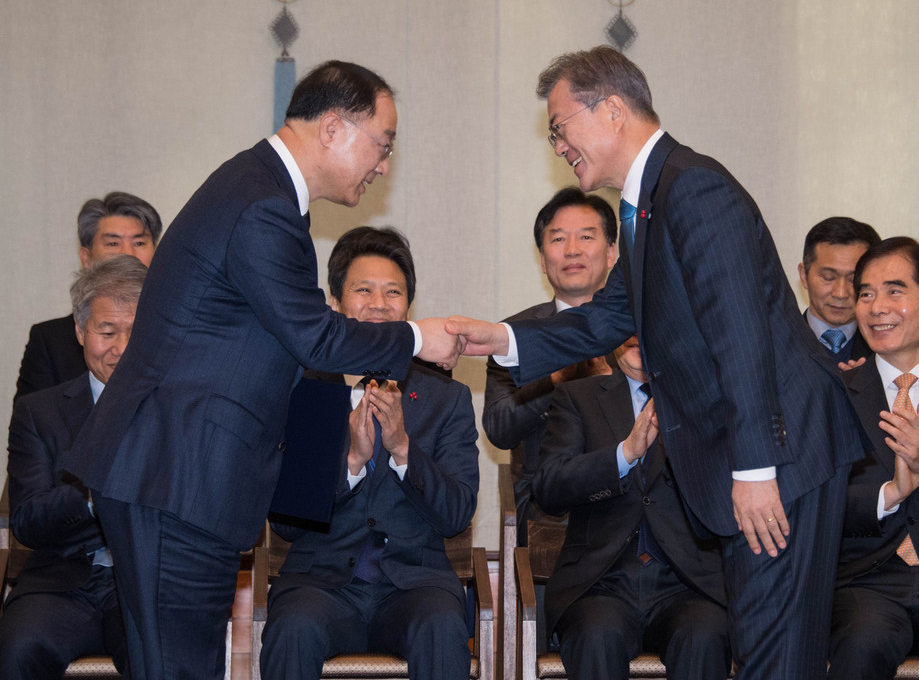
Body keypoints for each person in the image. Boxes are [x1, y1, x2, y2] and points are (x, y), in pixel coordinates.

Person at [447, 45, 865, 679]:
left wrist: (755, 469)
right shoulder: (643, 205)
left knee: (777, 657)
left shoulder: (692, 187)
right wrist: (500, 340)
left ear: (612, 110)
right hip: (761, 456)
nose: (557, 144)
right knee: (761, 650)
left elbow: (740, 333)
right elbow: (606, 318)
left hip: (783, 457)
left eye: (560, 127)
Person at [62, 60, 461, 680]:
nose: (383, 164)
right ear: (333, 128)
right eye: (382, 145)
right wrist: (416, 336)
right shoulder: (262, 206)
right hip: (178, 474)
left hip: (182, 476)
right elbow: (316, 337)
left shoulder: (260, 192)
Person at [260, 226, 479, 680]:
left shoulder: (446, 397)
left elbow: (457, 512)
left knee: (442, 626)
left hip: (415, 587)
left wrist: (401, 448)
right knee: (292, 628)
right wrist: (351, 465)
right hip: (321, 586)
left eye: (393, 292)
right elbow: (284, 522)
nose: (379, 304)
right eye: (364, 290)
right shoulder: (308, 390)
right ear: (336, 303)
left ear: (408, 307)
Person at [534, 335, 730, 680]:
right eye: (628, 326)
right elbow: (550, 487)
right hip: (600, 583)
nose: (639, 336)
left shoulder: (706, 399)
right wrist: (624, 454)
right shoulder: (578, 397)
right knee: (596, 634)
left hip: (686, 583)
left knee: (704, 633)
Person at [0, 255, 148, 679]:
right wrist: (91, 492)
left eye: (135, 333)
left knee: (158, 652)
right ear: (81, 332)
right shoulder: (39, 413)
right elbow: (28, 519)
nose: (121, 348)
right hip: (61, 582)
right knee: (20, 647)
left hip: (145, 582)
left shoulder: (177, 410)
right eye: (106, 332)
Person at [829, 237, 919, 679]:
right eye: (866, 294)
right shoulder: (830, 394)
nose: (876, 307)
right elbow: (813, 498)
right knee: (861, 644)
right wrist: (888, 493)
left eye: (894, 290)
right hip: (865, 584)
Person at [483, 186, 617, 544]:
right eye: (558, 239)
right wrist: (556, 379)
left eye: (586, 236)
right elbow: (499, 426)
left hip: (631, 487)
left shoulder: (643, 328)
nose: (572, 250)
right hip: (550, 502)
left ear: (612, 252)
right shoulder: (513, 335)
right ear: (542, 259)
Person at [13, 192, 161, 402]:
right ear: (86, 257)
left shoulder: (181, 331)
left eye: (139, 243)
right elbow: (34, 425)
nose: (128, 253)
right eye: (112, 243)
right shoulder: (50, 341)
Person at [797, 216, 880, 365]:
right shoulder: (777, 345)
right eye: (828, 277)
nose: (840, 293)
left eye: (853, 279)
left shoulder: (886, 350)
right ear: (804, 275)